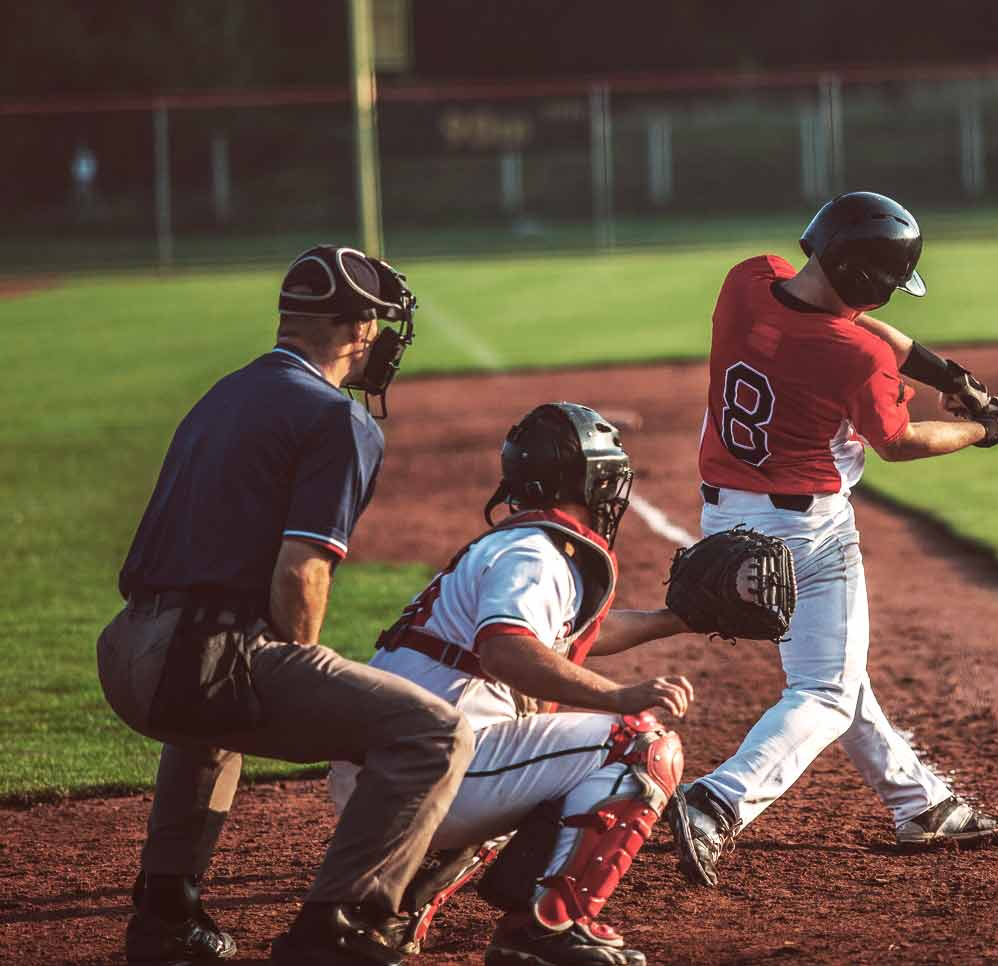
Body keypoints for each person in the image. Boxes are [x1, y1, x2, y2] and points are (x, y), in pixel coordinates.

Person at [96, 245, 475, 966]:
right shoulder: (339, 419)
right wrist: (307, 664)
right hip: (192, 658)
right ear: (357, 330)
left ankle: (167, 916)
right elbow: (300, 574)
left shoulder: (224, 393)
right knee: (431, 733)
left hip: (124, 652)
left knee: (212, 710)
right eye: (377, 325)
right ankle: (335, 928)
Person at [666, 191, 998, 888]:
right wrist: (986, 429)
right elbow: (899, 441)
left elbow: (863, 331)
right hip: (805, 534)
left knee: (835, 671)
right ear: (866, 279)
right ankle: (717, 801)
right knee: (824, 692)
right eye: (888, 281)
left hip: (724, 519)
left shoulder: (747, 280)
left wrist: (953, 379)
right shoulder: (852, 355)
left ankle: (921, 805)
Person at [330, 402, 693, 966]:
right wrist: (617, 697)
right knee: (636, 745)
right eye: (609, 478)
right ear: (586, 481)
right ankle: (545, 929)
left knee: (543, 757)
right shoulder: (535, 555)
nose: (615, 493)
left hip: (387, 774)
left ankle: (391, 905)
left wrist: (677, 620)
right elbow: (507, 651)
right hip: (432, 773)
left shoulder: (511, 547)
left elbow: (560, 637)